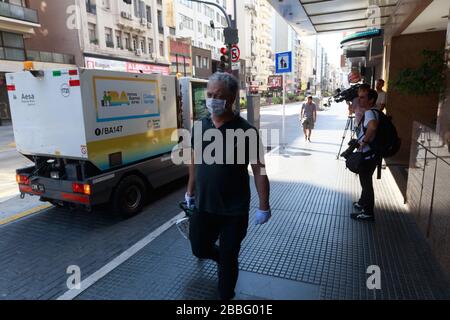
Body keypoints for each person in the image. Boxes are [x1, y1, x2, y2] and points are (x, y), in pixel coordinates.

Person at [185, 72, 271, 300]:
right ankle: (222, 258)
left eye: (218, 95)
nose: (212, 99)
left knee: (229, 255)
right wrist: (189, 192)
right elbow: (193, 161)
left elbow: (259, 169)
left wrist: (264, 205)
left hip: (234, 210)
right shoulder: (199, 126)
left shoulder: (246, 131)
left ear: (231, 98)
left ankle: (226, 295)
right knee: (199, 248)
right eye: (210, 94)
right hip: (203, 206)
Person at [351, 87, 380, 222]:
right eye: (359, 97)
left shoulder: (369, 112)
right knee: (366, 181)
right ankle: (362, 203)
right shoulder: (375, 111)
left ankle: (368, 213)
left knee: (366, 184)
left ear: (371, 100)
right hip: (373, 154)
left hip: (368, 155)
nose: (359, 99)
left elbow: (373, 126)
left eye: (363, 97)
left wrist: (364, 141)